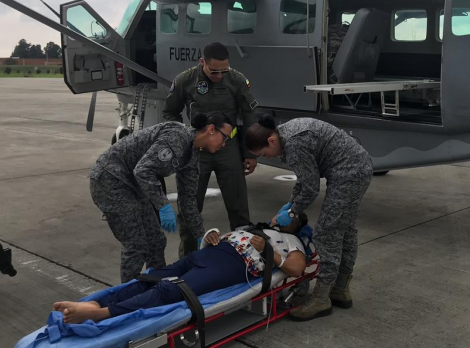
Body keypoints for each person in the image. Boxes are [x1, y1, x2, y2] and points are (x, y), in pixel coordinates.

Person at [53, 213, 309, 324]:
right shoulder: (254, 226)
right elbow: (220, 235)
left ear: (294, 225)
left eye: (291, 215)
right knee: (150, 277)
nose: (283, 215)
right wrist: (211, 236)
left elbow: (297, 268)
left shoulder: (290, 240)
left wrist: (269, 251)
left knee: (169, 291)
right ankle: (97, 304)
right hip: (209, 253)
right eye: (284, 211)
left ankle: (103, 314)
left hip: (235, 265)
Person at [245, 115, 373, 321]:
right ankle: (340, 289)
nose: (266, 158)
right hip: (356, 167)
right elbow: (305, 179)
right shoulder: (286, 135)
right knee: (345, 229)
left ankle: (322, 298)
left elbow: (311, 187)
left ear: (271, 140)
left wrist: (293, 212)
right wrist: (290, 204)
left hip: (349, 172)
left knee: (326, 233)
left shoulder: (294, 143)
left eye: (264, 154)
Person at [89, 113, 233, 283]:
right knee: (136, 245)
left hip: (133, 185)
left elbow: (187, 199)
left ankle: (156, 285)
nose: (224, 144)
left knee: (156, 241)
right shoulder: (177, 137)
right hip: (110, 180)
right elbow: (143, 170)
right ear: (210, 130)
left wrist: (199, 234)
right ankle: (126, 294)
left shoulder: (191, 156)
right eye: (224, 137)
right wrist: (163, 206)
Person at [163, 42, 259, 258]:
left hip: (229, 149)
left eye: (223, 71)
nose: (219, 76)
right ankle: (187, 259)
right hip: (197, 153)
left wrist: (250, 153)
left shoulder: (236, 79)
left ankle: (243, 258)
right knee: (189, 208)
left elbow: (249, 116)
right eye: (214, 71)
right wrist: (183, 140)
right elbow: (170, 112)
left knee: (238, 208)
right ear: (202, 62)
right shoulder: (185, 80)